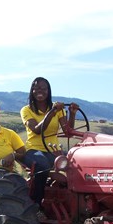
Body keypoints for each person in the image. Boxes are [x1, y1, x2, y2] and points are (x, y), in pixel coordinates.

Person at [20, 77, 78, 206]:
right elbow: (36, 129)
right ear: (32, 91)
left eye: (44, 88)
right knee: (43, 165)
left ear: (48, 91)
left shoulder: (58, 110)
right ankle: (36, 204)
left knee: (77, 166)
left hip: (53, 151)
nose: (40, 91)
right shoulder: (26, 110)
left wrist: (72, 114)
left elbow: (68, 131)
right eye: (37, 88)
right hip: (33, 150)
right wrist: (52, 112)